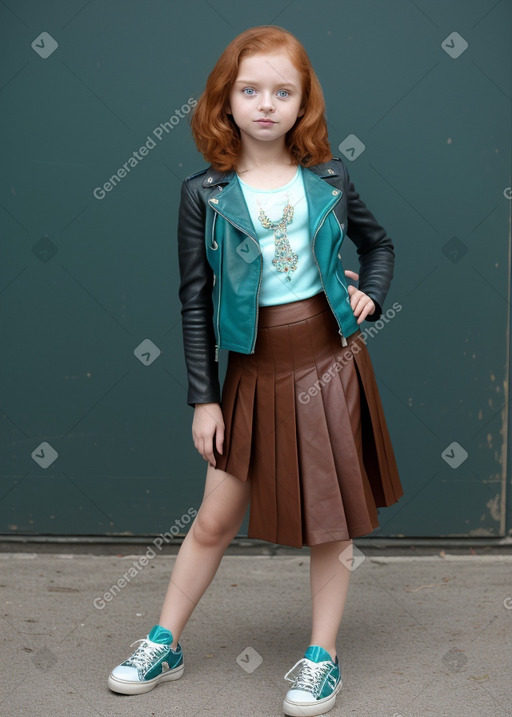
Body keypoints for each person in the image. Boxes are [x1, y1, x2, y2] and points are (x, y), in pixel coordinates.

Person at [107, 25, 404, 716]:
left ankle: (322, 657)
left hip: (329, 358)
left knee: (331, 519)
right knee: (213, 516)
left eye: (282, 91)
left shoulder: (329, 178)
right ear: (226, 100)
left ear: (303, 104)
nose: (265, 103)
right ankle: (165, 640)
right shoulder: (203, 193)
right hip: (249, 365)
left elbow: (379, 244)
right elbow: (194, 299)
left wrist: (370, 293)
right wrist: (203, 400)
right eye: (250, 89)